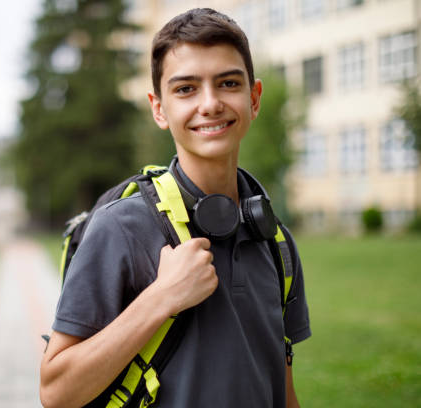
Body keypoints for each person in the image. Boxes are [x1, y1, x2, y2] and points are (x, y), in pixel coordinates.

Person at [40, 8, 311, 408]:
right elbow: (56, 392)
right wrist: (161, 298)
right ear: (159, 108)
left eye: (228, 83)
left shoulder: (276, 240)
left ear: (254, 99)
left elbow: (283, 390)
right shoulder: (120, 227)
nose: (210, 103)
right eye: (186, 89)